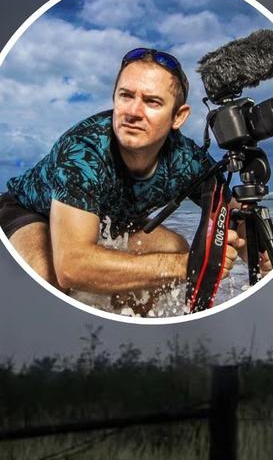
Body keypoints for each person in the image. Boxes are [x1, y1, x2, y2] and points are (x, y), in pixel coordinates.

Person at [0, 48, 257, 314]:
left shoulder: (185, 158)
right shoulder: (84, 148)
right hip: (32, 211)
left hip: (110, 222)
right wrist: (187, 265)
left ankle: (132, 326)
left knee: (172, 248)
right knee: (48, 274)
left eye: (152, 102)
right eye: (126, 96)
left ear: (178, 116)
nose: (133, 112)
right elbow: (72, 267)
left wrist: (264, 256)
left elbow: (232, 214)